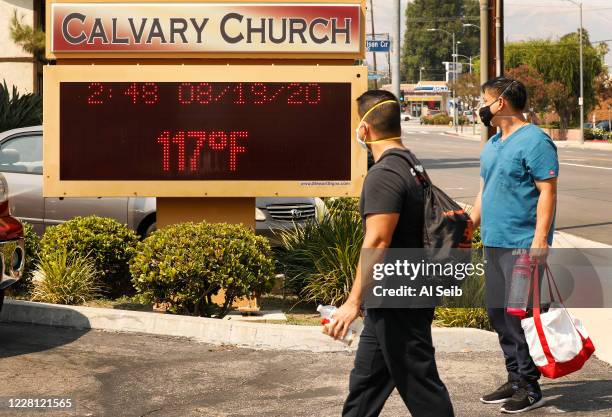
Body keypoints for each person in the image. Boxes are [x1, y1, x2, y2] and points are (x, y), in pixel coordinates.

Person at [327, 90, 455, 417]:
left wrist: (352, 303)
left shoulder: (383, 174)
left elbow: (378, 241)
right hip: (394, 296)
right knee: (365, 384)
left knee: (420, 385)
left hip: (400, 299)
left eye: (358, 125)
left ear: (365, 130)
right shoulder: (411, 164)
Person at [470, 77, 558, 414]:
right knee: (497, 312)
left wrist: (540, 240)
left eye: (485, 100)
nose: (482, 106)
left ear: (501, 102)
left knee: (517, 314)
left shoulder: (535, 141)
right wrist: (470, 227)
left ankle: (530, 386)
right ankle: (514, 376)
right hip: (494, 242)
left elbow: (547, 192)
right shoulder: (493, 142)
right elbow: (485, 188)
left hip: (523, 245)